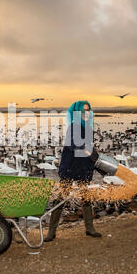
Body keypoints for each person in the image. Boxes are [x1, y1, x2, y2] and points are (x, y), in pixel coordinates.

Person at [44, 100, 101, 242]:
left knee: (86, 196)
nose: (86, 113)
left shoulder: (88, 127)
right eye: (83, 111)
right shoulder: (73, 127)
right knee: (61, 197)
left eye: (88, 110)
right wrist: (89, 151)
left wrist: (93, 155)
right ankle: (51, 231)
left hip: (83, 166)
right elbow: (73, 145)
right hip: (70, 166)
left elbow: (88, 145)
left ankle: (89, 228)